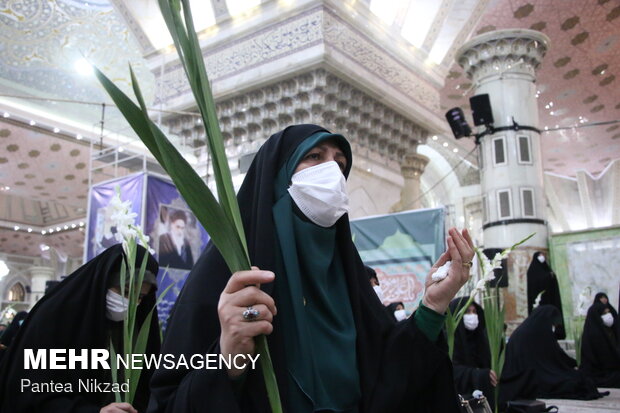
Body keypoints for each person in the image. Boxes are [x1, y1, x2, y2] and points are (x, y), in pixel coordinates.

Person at [148, 124, 475, 413]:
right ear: (279, 175)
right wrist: (228, 360)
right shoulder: (231, 273)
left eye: (340, 163)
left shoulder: (347, 276)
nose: (332, 170)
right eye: (315, 157)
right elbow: (172, 399)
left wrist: (432, 306)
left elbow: (389, 376)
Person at [0, 244, 161, 413]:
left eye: (140, 297)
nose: (130, 303)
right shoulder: (57, 317)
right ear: (103, 281)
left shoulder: (133, 327)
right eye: (126, 291)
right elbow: (30, 390)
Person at [502, 305, 602, 400]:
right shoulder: (540, 332)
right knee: (576, 382)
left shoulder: (525, 330)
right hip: (534, 376)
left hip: (521, 375)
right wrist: (575, 363)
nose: (554, 326)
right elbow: (556, 355)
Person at [579, 300, 620, 387]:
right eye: (605, 313)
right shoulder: (595, 334)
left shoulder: (602, 331)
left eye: (608, 313)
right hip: (599, 371)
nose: (608, 316)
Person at [526, 252, 565, 339]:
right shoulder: (532, 270)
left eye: (543, 255)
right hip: (539, 302)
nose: (542, 257)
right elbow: (536, 282)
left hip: (550, 300)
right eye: (540, 255)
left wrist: (551, 276)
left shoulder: (547, 269)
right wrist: (547, 277)